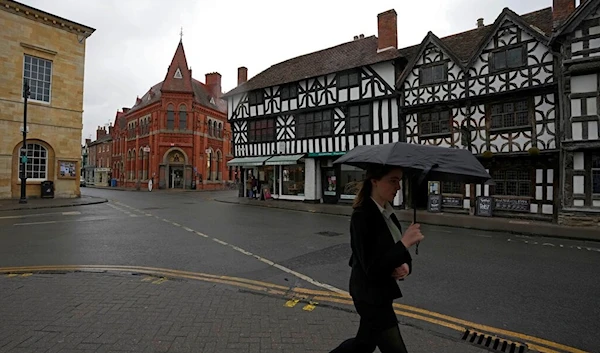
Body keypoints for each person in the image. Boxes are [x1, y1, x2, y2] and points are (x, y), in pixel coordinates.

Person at [330, 165, 424, 353]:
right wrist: (405, 243)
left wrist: (406, 265)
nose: (398, 187)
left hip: (382, 292)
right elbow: (372, 268)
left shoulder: (387, 214)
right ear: (374, 181)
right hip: (369, 296)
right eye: (393, 180)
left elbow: (395, 253)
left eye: (399, 181)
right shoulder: (362, 216)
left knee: (363, 345)